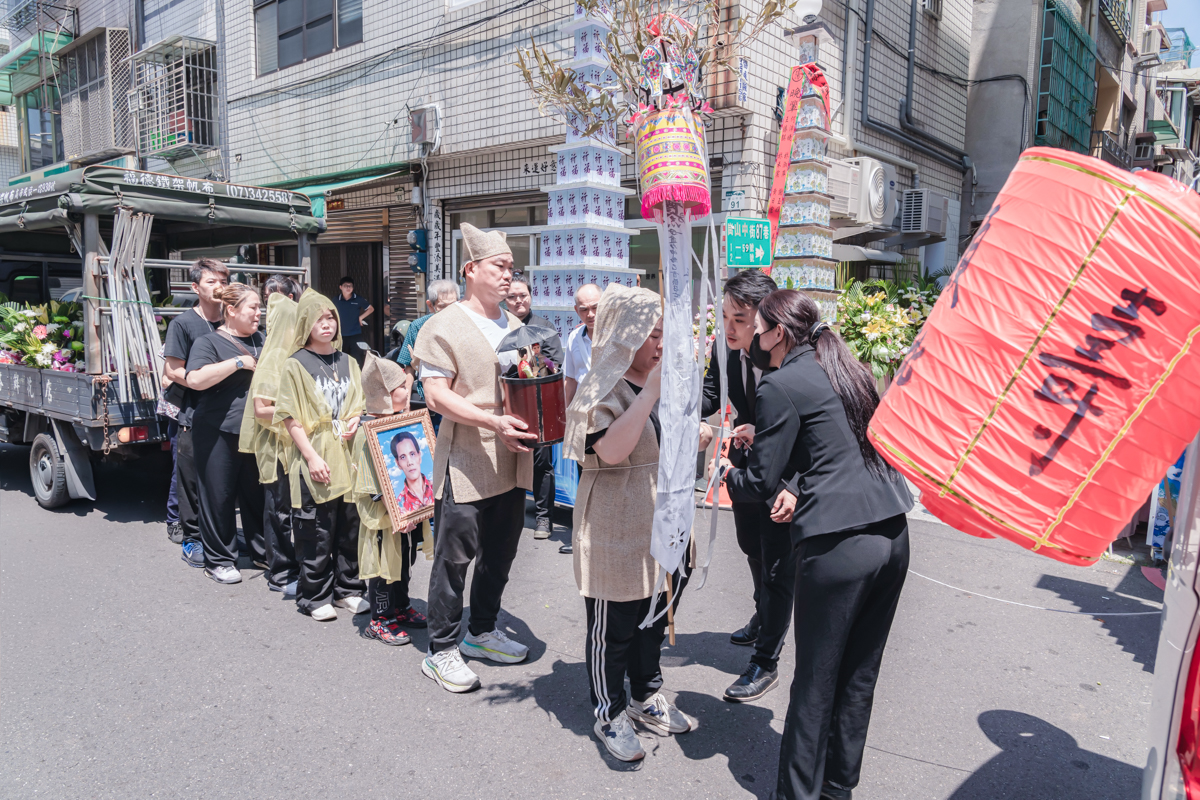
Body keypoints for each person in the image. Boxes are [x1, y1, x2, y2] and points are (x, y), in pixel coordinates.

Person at [721, 290, 914, 800]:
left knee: (814, 681)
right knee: (858, 673)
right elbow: (837, 450)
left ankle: (797, 794)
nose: (754, 341)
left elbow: (760, 482)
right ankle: (837, 785)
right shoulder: (847, 369)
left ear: (778, 333)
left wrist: (728, 470)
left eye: (757, 330)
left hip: (839, 546)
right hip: (892, 533)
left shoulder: (780, 384)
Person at [563, 284, 702, 763]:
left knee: (654, 619)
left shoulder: (666, 379)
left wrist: (707, 434)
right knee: (614, 624)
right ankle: (610, 710)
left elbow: (672, 439)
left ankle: (646, 696)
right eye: (652, 335)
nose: (661, 345)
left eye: (665, 335)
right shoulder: (598, 388)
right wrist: (652, 394)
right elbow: (613, 450)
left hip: (664, 522)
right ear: (624, 335)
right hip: (615, 525)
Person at [412, 222, 537, 693]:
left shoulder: (517, 325)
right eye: (498, 266)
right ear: (471, 270)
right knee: (454, 556)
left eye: (510, 267)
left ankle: (482, 630)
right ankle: (441, 649)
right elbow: (437, 397)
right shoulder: (442, 325)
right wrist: (493, 422)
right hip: (466, 455)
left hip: (513, 455)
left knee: (500, 553)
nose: (508, 275)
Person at [701, 269, 799, 702]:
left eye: (740, 319)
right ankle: (763, 612)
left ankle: (766, 662)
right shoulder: (726, 349)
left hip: (784, 477)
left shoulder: (797, 357)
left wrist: (795, 484)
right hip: (745, 467)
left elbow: (820, 432)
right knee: (751, 547)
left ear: (769, 320)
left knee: (779, 564)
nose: (730, 328)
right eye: (725, 317)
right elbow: (709, 393)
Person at [275, 290, 369, 622]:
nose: (326, 324)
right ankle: (314, 596)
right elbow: (288, 416)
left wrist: (356, 418)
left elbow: (358, 404)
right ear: (306, 324)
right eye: (319, 319)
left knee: (350, 525)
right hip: (316, 451)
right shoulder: (295, 363)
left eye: (330, 317)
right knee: (316, 527)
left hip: (349, 453)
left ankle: (349, 589)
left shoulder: (349, 361)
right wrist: (311, 457)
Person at [185, 283, 268, 585]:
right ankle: (218, 560)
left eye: (260, 307)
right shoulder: (209, 342)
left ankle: (262, 552)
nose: (259, 313)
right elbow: (194, 379)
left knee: (257, 495)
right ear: (231, 310)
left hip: (257, 432)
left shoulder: (264, 340)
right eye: (253, 308)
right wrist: (238, 363)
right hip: (217, 431)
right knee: (218, 496)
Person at [352, 352, 430, 646]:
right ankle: (379, 619)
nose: (407, 387)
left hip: (405, 514)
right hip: (384, 517)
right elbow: (371, 484)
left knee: (404, 561)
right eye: (400, 385)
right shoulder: (367, 430)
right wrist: (397, 514)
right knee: (384, 567)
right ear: (384, 393)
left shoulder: (399, 423)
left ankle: (401, 605)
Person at [162, 258, 229, 567]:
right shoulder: (183, 323)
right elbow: (172, 370)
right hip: (191, 409)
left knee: (219, 477)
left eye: (223, 281)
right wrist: (201, 379)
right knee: (188, 475)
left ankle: (217, 534)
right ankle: (188, 535)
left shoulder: (231, 321)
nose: (219, 287)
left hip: (227, 411)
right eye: (211, 282)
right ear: (195, 287)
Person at [238, 285, 301, 596]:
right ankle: (280, 573)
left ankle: (293, 566)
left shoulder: (293, 353)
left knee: (292, 509)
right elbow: (261, 408)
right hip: (277, 447)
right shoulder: (276, 354)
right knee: (279, 510)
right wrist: (299, 410)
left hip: (294, 444)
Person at [505, 276, 563, 540]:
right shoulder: (502, 327)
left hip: (539, 406)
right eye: (512, 296)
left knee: (542, 461)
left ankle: (543, 517)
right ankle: (511, 515)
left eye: (523, 295)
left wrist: (538, 360)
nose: (519, 300)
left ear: (531, 296)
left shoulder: (544, 327)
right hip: (510, 404)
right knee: (510, 460)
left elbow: (557, 365)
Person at [559, 282, 601, 555]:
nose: (591, 314)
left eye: (595, 307)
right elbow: (570, 379)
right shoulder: (575, 338)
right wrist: (567, 415)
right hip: (583, 417)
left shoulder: (618, 335)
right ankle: (585, 537)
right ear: (576, 310)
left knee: (609, 475)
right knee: (585, 476)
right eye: (584, 309)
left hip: (613, 415)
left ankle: (604, 536)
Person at [397, 278, 459, 422]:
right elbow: (408, 366)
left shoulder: (466, 325)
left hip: (459, 398)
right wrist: (406, 404)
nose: (449, 311)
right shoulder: (418, 326)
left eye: (454, 305)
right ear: (430, 306)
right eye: (443, 306)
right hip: (429, 398)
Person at [332, 276, 373, 366]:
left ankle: (357, 378)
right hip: (340, 335)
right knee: (340, 359)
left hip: (355, 334)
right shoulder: (335, 300)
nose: (348, 288)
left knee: (356, 359)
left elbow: (370, 309)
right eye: (345, 286)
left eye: (350, 286)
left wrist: (361, 318)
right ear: (340, 287)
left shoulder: (358, 299)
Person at [392, 432, 434, 512]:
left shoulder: (438, 488)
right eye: (403, 457)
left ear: (419, 456)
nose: (410, 462)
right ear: (398, 463)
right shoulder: (399, 505)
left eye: (412, 454)